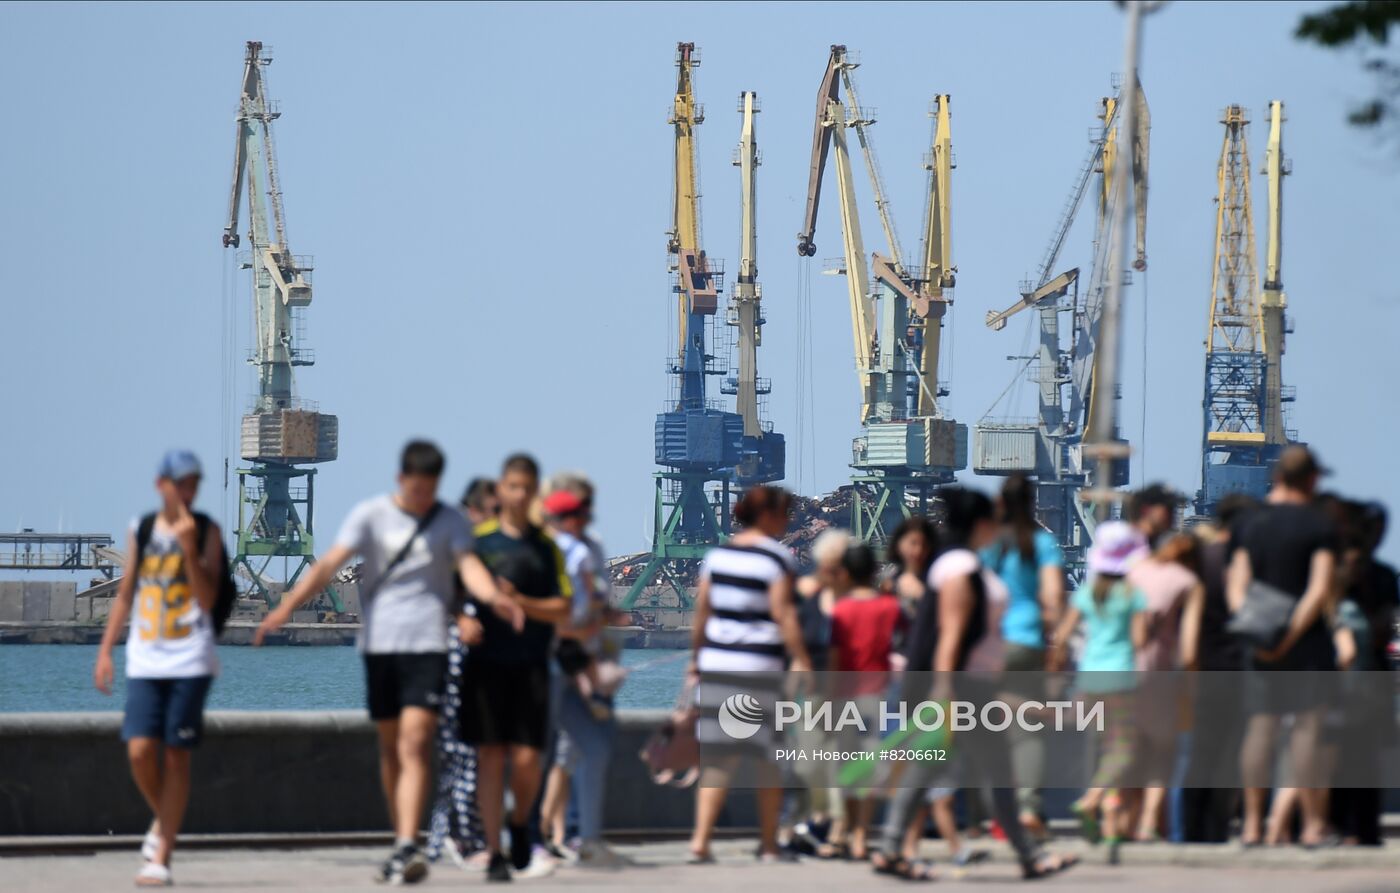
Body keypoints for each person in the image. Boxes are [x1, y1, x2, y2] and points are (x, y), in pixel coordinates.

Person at [255, 440, 522, 885]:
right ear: (402, 480)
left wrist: (493, 598)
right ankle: (401, 839)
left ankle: (405, 842)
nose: (424, 498)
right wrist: (287, 606)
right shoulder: (372, 515)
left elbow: (469, 567)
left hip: (428, 646)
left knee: (416, 742)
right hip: (382, 647)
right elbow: (329, 565)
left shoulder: (449, 521)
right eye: (418, 489)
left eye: (431, 489)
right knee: (391, 747)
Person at [874, 488, 1072, 882]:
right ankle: (1029, 857)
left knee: (931, 772)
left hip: (966, 686)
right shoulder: (961, 567)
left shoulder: (959, 563)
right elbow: (951, 634)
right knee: (985, 773)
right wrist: (945, 694)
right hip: (958, 688)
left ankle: (892, 848)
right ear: (981, 524)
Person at [93, 450, 224, 887]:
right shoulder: (142, 529)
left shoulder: (207, 531)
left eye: (193, 485)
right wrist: (106, 650)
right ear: (161, 485)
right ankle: (163, 822)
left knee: (175, 756)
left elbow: (207, 598)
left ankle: (161, 856)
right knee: (139, 751)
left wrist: (189, 549)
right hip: (145, 658)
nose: (188, 492)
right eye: (180, 483)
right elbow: (127, 593)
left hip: (190, 658)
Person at [460, 453, 575, 882]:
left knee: (528, 760)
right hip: (486, 665)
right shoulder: (479, 543)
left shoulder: (546, 549)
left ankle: (520, 821)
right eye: (513, 487)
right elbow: (454, 597)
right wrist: (462, 620)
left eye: (528, 488)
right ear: (501, 490)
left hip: (531, 665)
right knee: (490, 757)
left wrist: (521, 602)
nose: (520, 495)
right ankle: (494, 853)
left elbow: (563, 607)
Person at [688, 485, 811, 865]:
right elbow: (784, 615)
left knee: (717, 760)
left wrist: (696, 661)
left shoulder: (717, 557)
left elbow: (702, 612)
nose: (788, 520)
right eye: (784, 513)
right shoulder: (776, 559)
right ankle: (770, 845)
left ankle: (701, 841)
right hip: (760, 669)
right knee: (767, 761)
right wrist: (803, 660)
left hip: (717, 667)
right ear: (768, 516)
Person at [1227, 445, 1339, 848]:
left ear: (1276, 477)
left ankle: (1253, 826)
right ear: (1311, 480)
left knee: (1259, 729)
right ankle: (1310, 826)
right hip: (1307, 644)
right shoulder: (1320, 525)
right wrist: (1291, 635)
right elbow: (1319, 588)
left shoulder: (1248, 522)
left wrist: (1259, 633)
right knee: (1306, 733)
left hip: (1258, 641)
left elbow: (1236, 585)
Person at [538, 474, 630, 869]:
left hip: (582, 660)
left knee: (585, 748)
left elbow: (590, 604)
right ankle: (543, 834)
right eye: (576, 511)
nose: (584, 516)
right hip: (562, 661)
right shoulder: (558, 552)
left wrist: (604, 618)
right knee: (548, 752)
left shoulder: (586, 548)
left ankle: (578, 836)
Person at [1050, 520, 1148, 864]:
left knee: (1104, 747)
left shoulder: (1086, 594)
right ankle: (1092, 800)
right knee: (1124, 749)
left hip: (1089, 676)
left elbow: (1062, 636)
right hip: (1120, 677)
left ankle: (1110, 821)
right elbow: (1139, 640)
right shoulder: (1133, 596)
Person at [981, 473, 1063, 838]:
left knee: (985, 728)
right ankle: (1029, 809)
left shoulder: (989, 547)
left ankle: (992, 814)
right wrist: (1056, 644)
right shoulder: (1042, 544)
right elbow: (1052, 598)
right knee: (1029, 732)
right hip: (1028, 640)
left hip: (993, 642)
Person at [425, 478, 499, 868]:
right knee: (463, 752)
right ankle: (464, 837)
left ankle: (451, 836)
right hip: (454, 663)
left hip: (475, 663)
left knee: (465, 755)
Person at [1179, 493, 1256, 843]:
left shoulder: (1199, 562)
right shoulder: (1248, 564)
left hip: (1204, 674)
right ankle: (1217, 829)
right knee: (1231, 758)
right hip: (1239, 673)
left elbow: (1190, 633)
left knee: (1200, 755)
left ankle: (1190, 829)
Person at [827, 542, 905, 860]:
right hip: (880, 695)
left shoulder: (840, 610)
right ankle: (860, 834)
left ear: (844, 573)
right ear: (874, 571)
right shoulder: (889, 607)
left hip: (846, 697)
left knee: (845, 769)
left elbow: (834, 659)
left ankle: (844, 830)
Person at [1125, 532, 1204, 841]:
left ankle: (1120, 821)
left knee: (1130, 749)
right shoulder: (1187, 581)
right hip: (1160, 675)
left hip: (1123, 671)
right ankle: (1147, 823)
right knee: (1162, 753)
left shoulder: (1134, 572)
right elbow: (1189, 650)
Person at [1126, 483, 1185, 549]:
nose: (1172, 514)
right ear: (1146, 509)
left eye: (1173, 508)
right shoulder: (1119, 538)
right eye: (1168, 508)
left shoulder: (1167, 546)